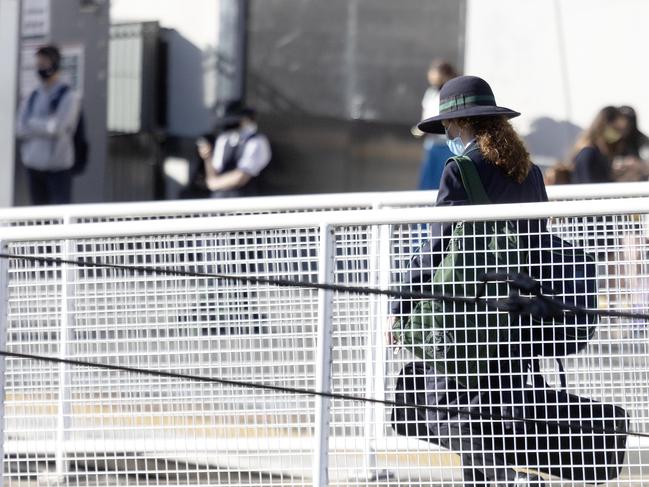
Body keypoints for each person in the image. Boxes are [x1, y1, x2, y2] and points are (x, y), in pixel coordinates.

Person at [390, 75, 549, 486]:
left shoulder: (461, 168)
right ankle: (500, 476)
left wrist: (400, 304)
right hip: (518, 312)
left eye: (447, 127)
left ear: (461, 124)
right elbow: (538, 236)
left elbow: (437, 248)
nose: (447, 134)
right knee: (492, 419)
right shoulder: (529, 170)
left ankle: (509, 479)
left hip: (467, 314)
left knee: (443, 411)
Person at [16, 45, 81, 205]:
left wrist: (33, 123)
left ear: (55, 64)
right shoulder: (33, 95)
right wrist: (45, 125)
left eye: (44, 63)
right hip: (34, 167)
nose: (40, 67)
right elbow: (20, 129)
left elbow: (58, 128)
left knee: (59, 216)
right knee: (39, 217)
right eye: (38, 63)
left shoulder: (67, 95)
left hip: (58, 169)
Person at [201, 103, 271, 198]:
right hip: (219, 200)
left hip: (244, 201)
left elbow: (241, 177)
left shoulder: (257, 141)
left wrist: (214, 184)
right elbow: (214, 172)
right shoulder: (224, 139)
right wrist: (207, 157)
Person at [414, 60, 459, 189]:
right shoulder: (430, 93)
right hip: (431, 143)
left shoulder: (452, 92)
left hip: (447, 144)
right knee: (428, 181)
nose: (432, 76)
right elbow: (426, 114)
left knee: (444, 180)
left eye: (436, 72)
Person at [569, 106, 626, 184]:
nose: (619, 134)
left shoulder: (601, 154)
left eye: (621, 130)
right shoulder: (588, 154)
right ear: (602, 126)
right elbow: (589, 187)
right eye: (616, 129)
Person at [612, 105, 649, 182]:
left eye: (629, 121)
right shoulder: (611, 139)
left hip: (638, 183)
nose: (625, 124)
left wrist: (637, 164)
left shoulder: (642, 139)